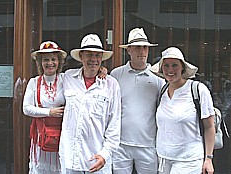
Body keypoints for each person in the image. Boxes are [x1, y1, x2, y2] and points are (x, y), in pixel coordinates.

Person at [59, 33, 121, 174]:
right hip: (70, 159)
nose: (93, 59)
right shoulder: (68, 77)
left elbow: (115, 125)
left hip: (98, 160)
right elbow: (49, 77)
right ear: (81, 57)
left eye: (97, 55)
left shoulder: (111, 84)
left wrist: (105, 154)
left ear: (101, 59)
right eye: (89, 55)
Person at [150, 47, 215, 174]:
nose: (170, 70)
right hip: (163, 159)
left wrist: (208, 158)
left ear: (182, 68)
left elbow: (209, 126)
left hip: (188, 160)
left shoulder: (198, 90)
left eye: (175, 65)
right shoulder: (162, 91)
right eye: (166, 66)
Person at [110, 28, 165, 174]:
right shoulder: (116, 75)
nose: (142, 51)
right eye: (137, 47)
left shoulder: (158, 79)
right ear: (129, 50)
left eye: (145, 47)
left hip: (148, 144)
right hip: (120, 144)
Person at [23, 41, 67, 174]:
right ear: (40, 63)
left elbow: (86, 74)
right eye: (46, 60)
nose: (50, 63)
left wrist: (101, 70)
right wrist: (49, 112)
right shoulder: (34, 82)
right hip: (41, 136)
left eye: (53, 59)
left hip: (61, 136)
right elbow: (26, 108)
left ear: (59, 62)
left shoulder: (66, 79)